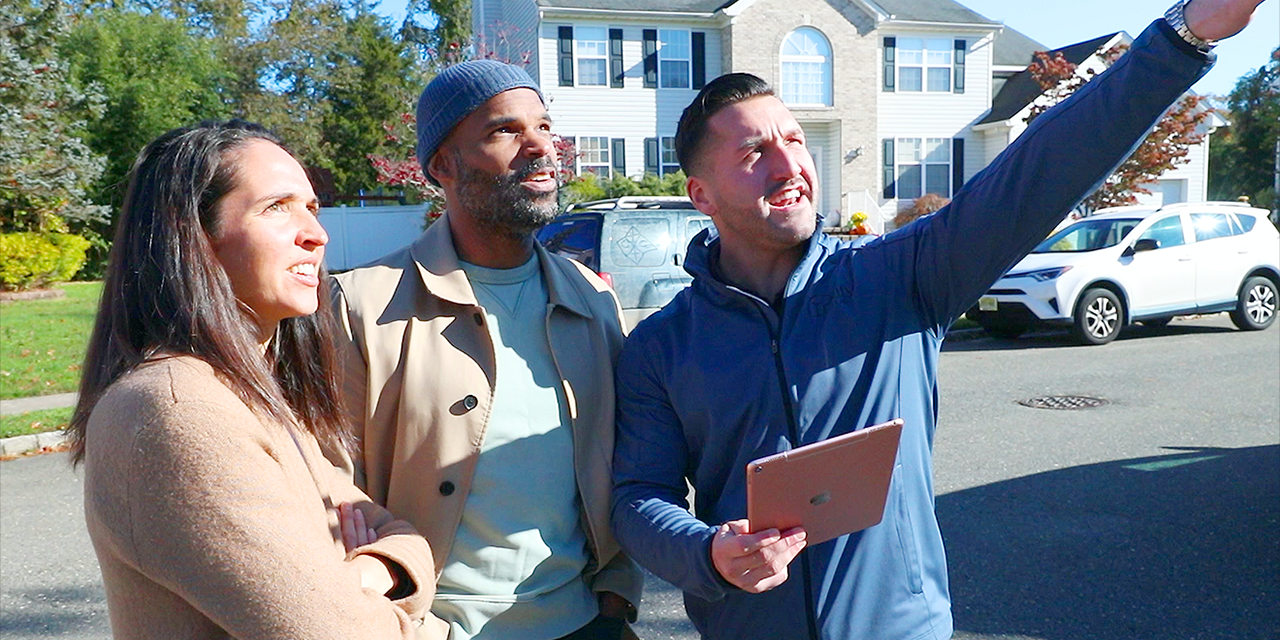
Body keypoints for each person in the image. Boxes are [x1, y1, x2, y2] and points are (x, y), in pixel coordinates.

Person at [608, 1, 1264, 638]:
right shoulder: (662, 347)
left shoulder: (899, 277)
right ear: (702, 195)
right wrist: (708, 553)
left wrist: (1182, 37)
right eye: (755, 153)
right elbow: (639, 498)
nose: (790, 166)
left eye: (795, 140)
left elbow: (1039, 171)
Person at [68, 120, 440, 640]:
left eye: (311, 208)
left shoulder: (248, 396)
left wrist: (368, 571)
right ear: (195, 237)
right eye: (276, 207)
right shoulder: (177, 412)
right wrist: (369, 593)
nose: (316, 234)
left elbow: (402, 536)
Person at [329, 60, 643, 640]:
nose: (540, 147)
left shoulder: (590, 299)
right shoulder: (361, 305)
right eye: (505, 130)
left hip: (585, 622)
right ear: (442, 166)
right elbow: (331, 482)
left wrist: (619, 589)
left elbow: (627, 456)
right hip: (433, 627)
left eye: (544, 126)